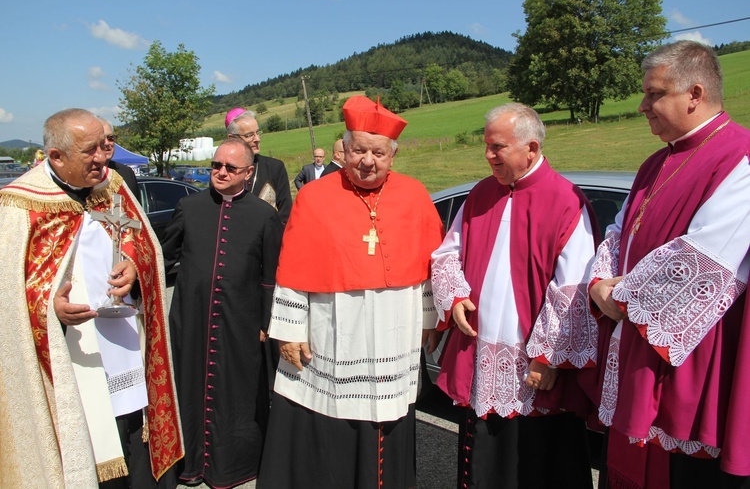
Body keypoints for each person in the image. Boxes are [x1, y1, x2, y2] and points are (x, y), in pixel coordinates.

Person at [257, 96, 444, 488]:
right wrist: (289, 329)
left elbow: (430, 265)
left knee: (390, 421)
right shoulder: (314, 196)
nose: (368, 160)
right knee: (329, 425)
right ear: (345, 150)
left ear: (392, 155)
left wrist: (429, 319)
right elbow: (292, 266)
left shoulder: (414, 195)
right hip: (332, 333)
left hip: (396, 331)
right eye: (359, 150)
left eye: (378, 152)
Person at [588, 40, 750, 488]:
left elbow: (704, 261)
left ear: (694, 94)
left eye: (654, 94)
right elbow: (617, 232)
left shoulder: (741, 158)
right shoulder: (654, 163)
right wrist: (599, 281)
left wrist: (615, 296)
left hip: (696, 360)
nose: (642, 106)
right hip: (635, 336)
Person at [0, 108, 182, 487]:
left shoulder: (113, 187)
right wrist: (51, 309)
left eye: (104, 146)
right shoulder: (20, 205)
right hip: (68, 357)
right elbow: (11, 298)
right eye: (90, 151)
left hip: (127, 348)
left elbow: (146, 249)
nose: (103, 157)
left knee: (134, 444)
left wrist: (135, 271)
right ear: (56, 157)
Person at [432, 103, 599, 488]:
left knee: (537, 465)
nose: (489, 155)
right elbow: (446, 254)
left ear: (532, 149)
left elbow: (572, 288)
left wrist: (547, 357)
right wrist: (455, 298)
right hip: (483, 355)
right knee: (486, 465)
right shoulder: (481, 193)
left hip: (535, 367)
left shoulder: (565, 200)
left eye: (498, 147)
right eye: (487, 146)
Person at [162, 138, 283, 488]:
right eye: (216, 165)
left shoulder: (264, 215)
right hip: (192, 318)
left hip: (240, 321)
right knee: (189, 387)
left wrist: (265, 321)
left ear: (248, 172)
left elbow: (270, 275)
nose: (221, 172)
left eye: (230, 168)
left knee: (238, 394)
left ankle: (233, 466)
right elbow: (163, 256)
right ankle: (190, 463)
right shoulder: (190, 206)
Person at [226, 108, 292, 224]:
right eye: (249, 135)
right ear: (232, 138)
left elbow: (286, 214)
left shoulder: (274, 167)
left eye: (257, 133)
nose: (257, 139)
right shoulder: (223, 171)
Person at [99, 117, 139, 199]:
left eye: (110, 138)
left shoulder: (127, 173)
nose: (107, 143)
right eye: (102, 138)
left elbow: (136, 209)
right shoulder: (82, 176)